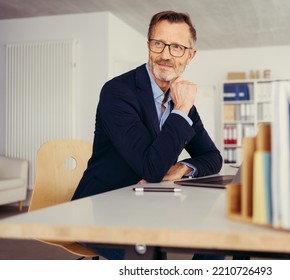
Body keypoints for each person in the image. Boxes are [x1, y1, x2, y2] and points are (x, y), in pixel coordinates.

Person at [72, 11, 224, 260]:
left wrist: (181, 168)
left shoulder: (180, 100)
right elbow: (152, 169)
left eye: (177, 47)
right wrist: (182, 109)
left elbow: (212, 157)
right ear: (148, 45)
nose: (165, 55)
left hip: (148, 203)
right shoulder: (118, 92)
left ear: (190, 55)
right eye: (158, 43)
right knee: (151, 258)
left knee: (215, 238)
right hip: (101, 208)